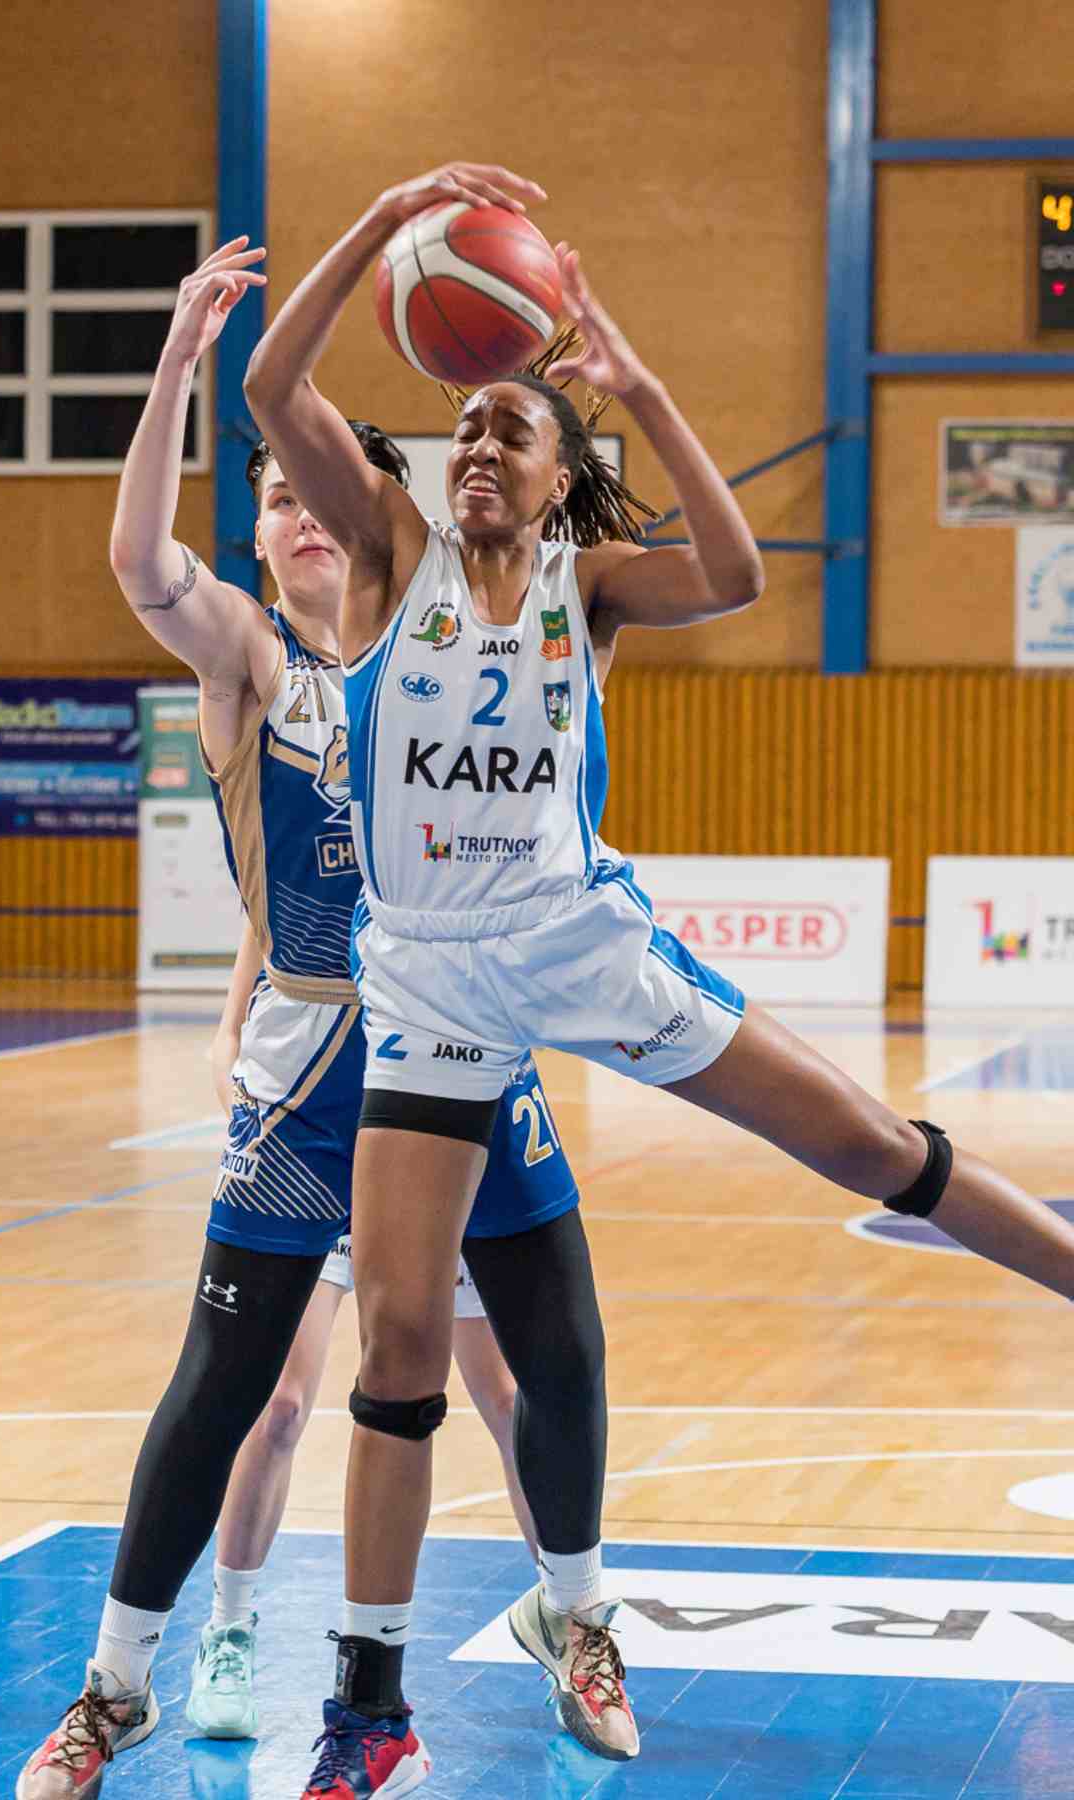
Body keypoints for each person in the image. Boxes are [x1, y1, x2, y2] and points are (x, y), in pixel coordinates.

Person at [243, 158, 1074, 1797]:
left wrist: (640, 386)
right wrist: (390, 218)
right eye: (464, 429)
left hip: (582, 945)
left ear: (564, 482)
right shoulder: (389, 554)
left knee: (867, 1146)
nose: (479, 449)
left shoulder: (590, 589)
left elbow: (742, 575)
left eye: (514, 432)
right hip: (431, 985)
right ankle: (368, 1711)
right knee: (398, 1346)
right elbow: (273, 384)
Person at [16, 237, 598, 1800]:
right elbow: (138, 562)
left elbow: (551, 534)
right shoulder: (250, 661)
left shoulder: (442, 637)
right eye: (271, 500)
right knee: (231, 1387)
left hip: (458, 1041)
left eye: (319, 492)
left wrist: (568, 378)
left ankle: (576, 1615)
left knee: (520, 1370)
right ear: (264, 542)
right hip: (309, 1066)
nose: (300, 514)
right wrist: (176, 363)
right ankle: (118, 1685)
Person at [184, 913, 537, 1743]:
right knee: (277, 1406)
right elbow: (231, 1031)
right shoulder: (296, 876)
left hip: (429, 1165)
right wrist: (254, 1108)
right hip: (315, 1163)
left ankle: (571, 1620)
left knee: (506, 1398)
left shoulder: (446, 888)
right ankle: (227, 1632)